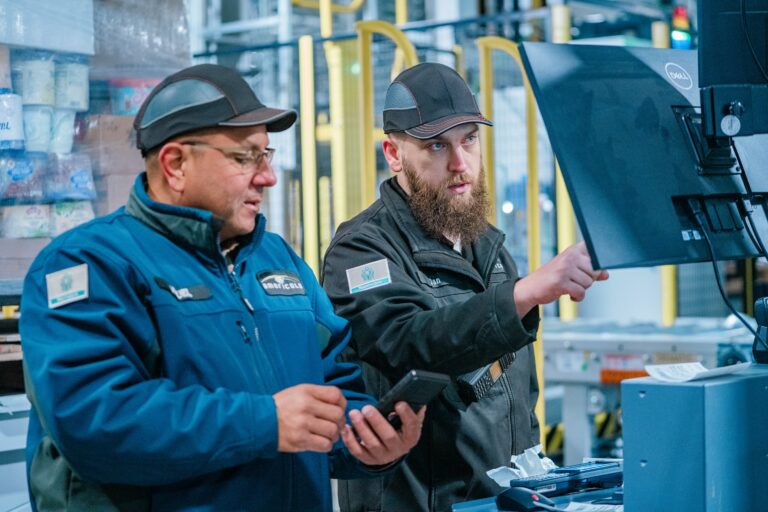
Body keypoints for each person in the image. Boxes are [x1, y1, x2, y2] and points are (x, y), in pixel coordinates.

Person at [20, 64, 424, 512]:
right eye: (245, 158)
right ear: (176, 164)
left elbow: (333, 384)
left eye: (266, 154)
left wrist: (366, 440)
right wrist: (265, 422)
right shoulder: (90, 265)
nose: (268, 176)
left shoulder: (278, 260)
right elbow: (94, 419)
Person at [321, 62, 609, 511]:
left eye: (469, 140)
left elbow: (518, 396)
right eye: (436, 145)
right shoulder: (362, 250)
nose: (460, 164)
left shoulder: (489, 247)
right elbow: (411, 342)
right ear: (394, 154)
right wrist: (525, 293)